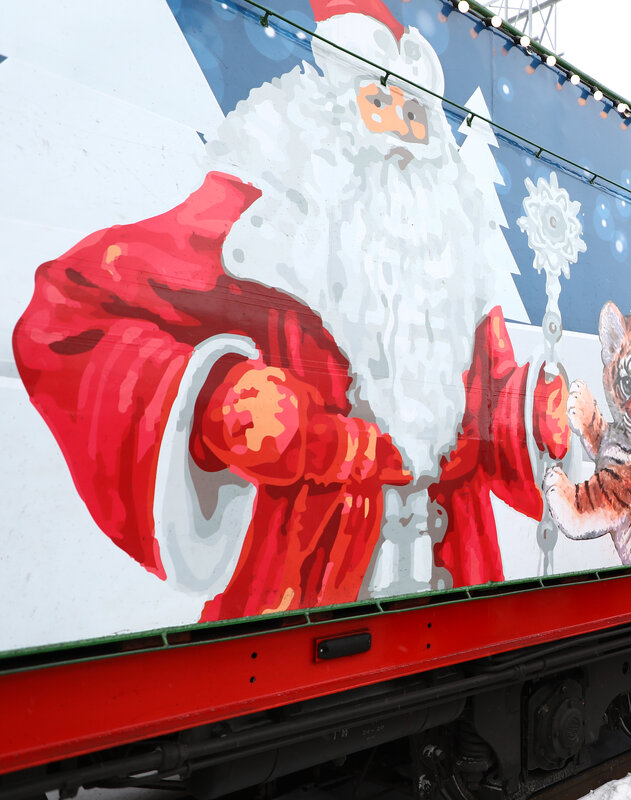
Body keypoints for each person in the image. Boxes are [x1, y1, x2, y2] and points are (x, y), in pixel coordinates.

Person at [12, 3, 574, 620]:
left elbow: (487, 415)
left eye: (417, 114)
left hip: (453, 581)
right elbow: (72, 312)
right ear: (332, 108)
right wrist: (213, 396)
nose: (405, 137)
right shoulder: (259, 223)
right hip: (302, 586)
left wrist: (536, 411)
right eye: (381, 104)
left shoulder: (454, 261)